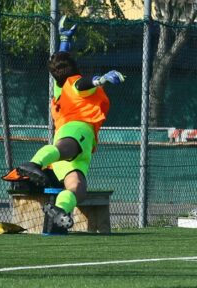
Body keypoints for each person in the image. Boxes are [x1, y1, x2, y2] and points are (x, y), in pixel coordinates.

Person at [16, 18, 125, 229]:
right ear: (74, 69)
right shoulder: (74, 84)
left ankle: (60, 209)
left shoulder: (59, 88)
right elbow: (83, 83)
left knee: (78, 188)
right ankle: (33, 164)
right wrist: (101, 79)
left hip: (73, 152)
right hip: (77, 130)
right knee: (65, 149)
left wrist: (65, 40)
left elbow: (60, 64)